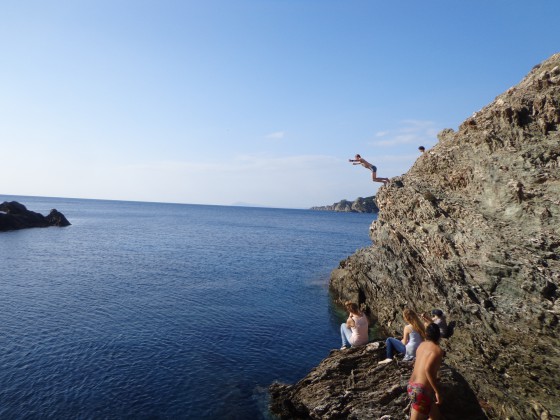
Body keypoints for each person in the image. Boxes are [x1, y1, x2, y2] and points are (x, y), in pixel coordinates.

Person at [407, 323, 444, 420]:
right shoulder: (437, 350)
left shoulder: (421, 345)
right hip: (421, 391)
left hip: (411, 385)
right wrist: (437, 392)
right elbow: (427, 369)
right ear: (439, 335)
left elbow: (415, 364)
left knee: (436, 417)